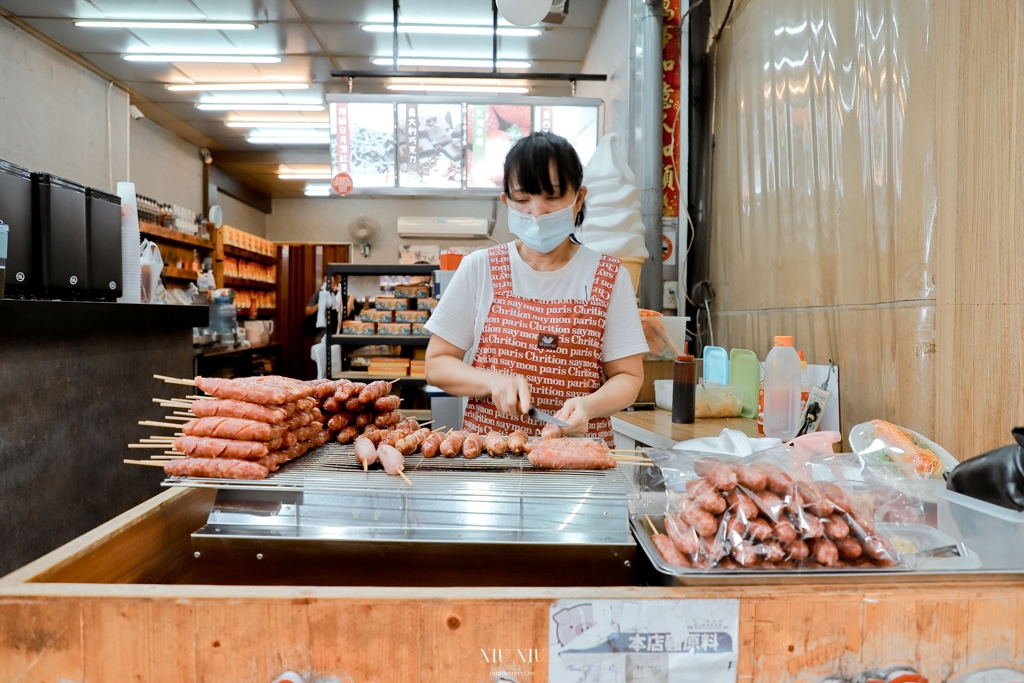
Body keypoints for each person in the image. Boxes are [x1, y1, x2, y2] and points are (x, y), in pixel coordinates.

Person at [424, 132, 648, 443]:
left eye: (552, 197)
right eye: (523, 199)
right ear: (506, 201)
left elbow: (629, 376)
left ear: (579, 197)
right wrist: (491, 382)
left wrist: (590, 405)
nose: (537, 212)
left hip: (578, 460)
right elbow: (437, 364)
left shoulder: (609, 275)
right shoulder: (480, 267)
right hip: (490, 459)